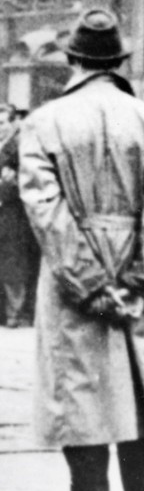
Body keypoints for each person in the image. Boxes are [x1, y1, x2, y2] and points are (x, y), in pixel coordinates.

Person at [18, 9, 144, 491]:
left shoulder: (44, 122)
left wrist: (90, 283)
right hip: (140, 270)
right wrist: (142, 278)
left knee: (80, 397)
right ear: (120, 62)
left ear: (72, 60)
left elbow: (46, 211)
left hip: (74, 272)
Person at [0, 104, 40, 329]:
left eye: (3, 123)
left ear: (13, 123)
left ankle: (16, 313)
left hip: (13, 214)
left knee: (13, 263)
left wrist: (6, 186)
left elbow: (25, 182)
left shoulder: (18, 148)